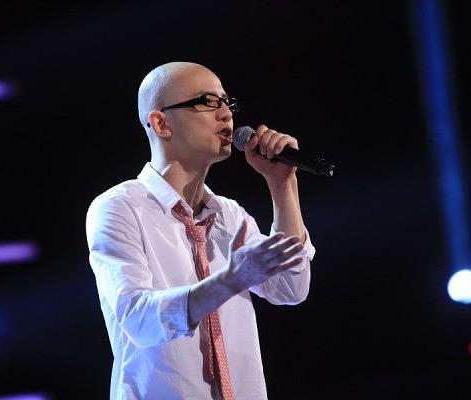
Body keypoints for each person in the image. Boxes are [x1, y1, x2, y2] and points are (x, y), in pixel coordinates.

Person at [86, 61, 316, 400]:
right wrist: (230, 280)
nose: (226, 114)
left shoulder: (230, 215)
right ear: (161, 123)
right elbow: (137, 319)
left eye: (227, 102)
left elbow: (290, 288)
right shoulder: (120, 207)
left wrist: (282, 185)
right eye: (208, 101)